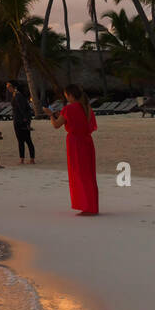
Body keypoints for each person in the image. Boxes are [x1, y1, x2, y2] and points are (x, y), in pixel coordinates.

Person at [51, 84, 99, 215]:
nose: (67, 99)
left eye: (67, 96)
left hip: (75, 143)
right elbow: (91, 126)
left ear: (71, 95)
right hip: (87, 142)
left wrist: (50, 115)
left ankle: (86, 206)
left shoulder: (68, 109)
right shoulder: (87, 108)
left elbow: (56, 125)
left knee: (79, 173)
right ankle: (92, 205)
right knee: (89, 174)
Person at [6, 81, 35, 164]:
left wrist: (26, 121)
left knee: (27, 140)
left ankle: (31, 159)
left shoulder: (18, 95)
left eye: (8, 86)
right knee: (21, 140)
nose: (7, 88)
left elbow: (23, 109)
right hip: (18, 120)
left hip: (21, 121)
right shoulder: (16, 95)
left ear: (13, 86)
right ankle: (22, 159)